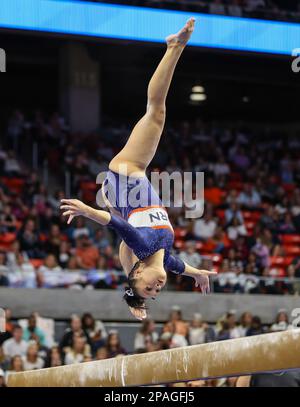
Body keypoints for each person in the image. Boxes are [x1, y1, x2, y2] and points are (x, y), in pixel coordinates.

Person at [60, 18, 216, 320]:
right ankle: (174, 47)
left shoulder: (143, 246)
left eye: (148, 289)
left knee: (156, 111)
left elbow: (119, 226)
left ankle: (174, 46)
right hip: (125, 185)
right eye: (156, 293)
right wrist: (197, 274)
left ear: (139, 270)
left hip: (125, 173)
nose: (156, 288)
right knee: (156, 113)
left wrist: (86, 210)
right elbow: (178, 266)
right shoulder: (164, 258)